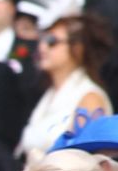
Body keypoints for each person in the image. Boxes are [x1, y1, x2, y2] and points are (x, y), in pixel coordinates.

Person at [18, 14, 113, 162]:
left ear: (78, 48)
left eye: (52, 41)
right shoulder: (47, 95)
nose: (42, 47)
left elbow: (88, 160)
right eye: (42, 39)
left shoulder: (90, 97)